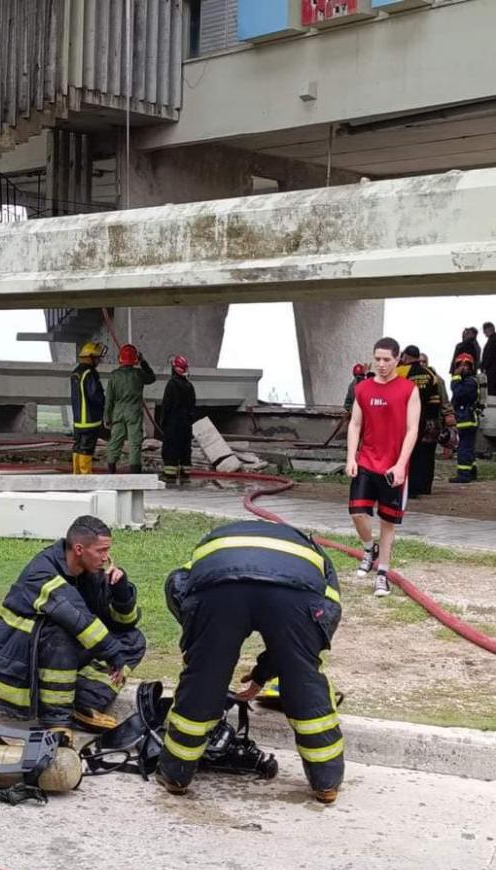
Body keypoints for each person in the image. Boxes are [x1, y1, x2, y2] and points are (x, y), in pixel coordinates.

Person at [156, 520, 343, 804]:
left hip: (221, 588)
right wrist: (290, 663)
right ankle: (326, 784)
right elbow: (323, 616)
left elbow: (177, 584)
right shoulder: (314, 555)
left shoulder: (213, 544)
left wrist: (201, 644)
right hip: (293, 593)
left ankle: (175, 775)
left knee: (203, 683)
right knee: (304, 683)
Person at [0, 515, 146, 733]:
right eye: (101, 551)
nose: (106, 558)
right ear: (79, 549)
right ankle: (57, 722)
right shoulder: (42, 572)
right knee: (62, 632)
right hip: (19, 660)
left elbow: (124, 624)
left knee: (133, 640)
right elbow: (75, 617)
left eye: (108, 550)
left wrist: (121, 592)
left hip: (59, 653)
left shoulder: (91, 572)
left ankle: (83, 704)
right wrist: (112, 653)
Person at [346, 337, 420, 597]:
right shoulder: (363, 388)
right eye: (377, 359)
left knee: (387, 522)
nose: (381, 364)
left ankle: (382, 575)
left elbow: (412, 430)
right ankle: (369, 549)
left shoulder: (409, 389)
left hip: (393, 467)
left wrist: (401, 465)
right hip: (366, 460)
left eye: (387, 359)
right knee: (357, 513)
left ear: (397, 360)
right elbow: (355, 424)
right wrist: (351, 458)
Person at [396, 345, 441, 498]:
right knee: (422, 454)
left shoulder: (400, 372)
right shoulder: (430, 374)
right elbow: (435, 399)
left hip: (405, 418)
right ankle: (420, 487)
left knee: (406, 452)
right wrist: (432, 420)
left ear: (406, 356)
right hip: (424, 419)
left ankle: (406, 488)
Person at [104, 343, 156, 474]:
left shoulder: (114, 375)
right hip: (134, 412)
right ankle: (135, 473)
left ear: (120, 358)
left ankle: (111, 470)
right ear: (135, 359)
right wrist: (143, 362)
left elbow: (109, 399)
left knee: (115, 441)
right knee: (134, 443)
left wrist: (107, 417)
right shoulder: (139, 374)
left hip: (118, 412)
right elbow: (152, 377)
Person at [160, 354, 197, 486]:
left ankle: (169, 475)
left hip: (173, 424)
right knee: (185, 449)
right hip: (186, 424)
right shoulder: (190, 386)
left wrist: (163, 423)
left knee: (171, 449)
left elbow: (166, 405)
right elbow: (193, 406)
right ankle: (185, 474)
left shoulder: (171, 385)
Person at [70, 342, 106, 475]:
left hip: (78, 419)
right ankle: (86, 477)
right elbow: (95, 396)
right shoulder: (90, 373)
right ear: (90, 357)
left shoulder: (76, 372)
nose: (99, 360)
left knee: (78, 447)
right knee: (87, 448)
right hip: (90, 419)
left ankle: (77, 474)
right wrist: (105, 403)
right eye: (97, 358)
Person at [449, 353, 480, 484]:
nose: (463, 367)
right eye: (460, 365)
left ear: (471, 367)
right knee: (468, 447)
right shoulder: (466, 381)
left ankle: (464, 474)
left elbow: (459, 393)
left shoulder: (470, 381)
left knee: (464, 448)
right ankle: (472, 471)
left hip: (467, 419)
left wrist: (455, 378)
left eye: (466, 365)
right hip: (464, 418)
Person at [481, 322, 496, 396]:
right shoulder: (492, 339)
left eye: (484, 330)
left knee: (492, 392)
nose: (484, 333)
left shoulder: (493, 340)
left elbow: (489, 355)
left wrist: (484, 367)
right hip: (492, 370)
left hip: (492, 371)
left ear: (490, 328)